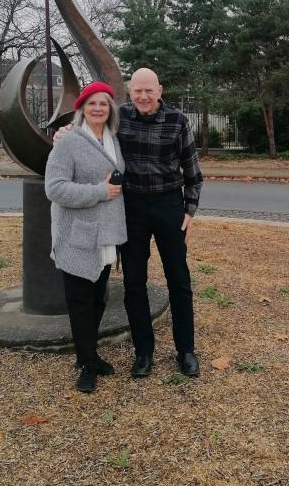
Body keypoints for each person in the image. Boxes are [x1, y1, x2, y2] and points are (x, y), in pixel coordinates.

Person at [119, 68, 203, 379]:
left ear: (160, 90)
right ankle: (143, 352)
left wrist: (189, 211)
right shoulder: (120, 117)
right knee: (133, 282)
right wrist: (63, 134)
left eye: (148, 91)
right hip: (132, 207)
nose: (143, 96)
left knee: (179, 281)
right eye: (137, 91)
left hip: (169, 204)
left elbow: (193, 172)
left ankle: (186, 349)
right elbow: (89, 130)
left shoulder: (178, 120)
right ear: (130, 91)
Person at [45, 82, 127, 394]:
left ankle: (88, 354)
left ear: (110, 110)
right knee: (80, 302)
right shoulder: (68, 142)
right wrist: (99, 192)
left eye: (103, 104)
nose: (97, 108)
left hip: (105, 234)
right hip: (77, 236)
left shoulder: (113, 140)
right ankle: (87, 365)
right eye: (91, 103)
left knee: (98, 298)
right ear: (81, 108)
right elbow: (54, 188)